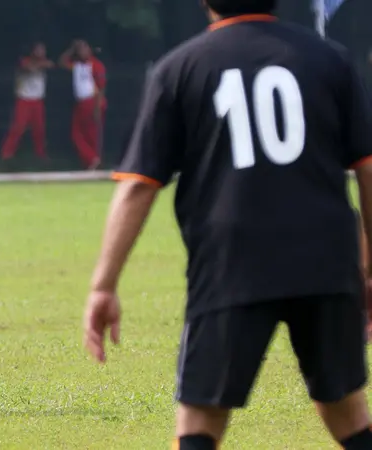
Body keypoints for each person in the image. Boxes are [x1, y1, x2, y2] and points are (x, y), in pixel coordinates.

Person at [82, 1, 372, 449]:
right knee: (345, 409)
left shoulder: (181, 67)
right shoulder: (328, 59)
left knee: (201, 417)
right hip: (327, 260)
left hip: (231, 261)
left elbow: (139, 186)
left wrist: (103, 286)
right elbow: (368, 169)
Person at [0, 42, 53, 162]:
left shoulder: (44, 62)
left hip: (38, 100)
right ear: (33, 51)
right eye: (39, 50)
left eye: (43, 50)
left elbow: (50, 64)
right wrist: (40, 64)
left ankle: (41, 154)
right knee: (18, 127)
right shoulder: (24, 60)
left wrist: (42, 64)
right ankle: (7, 153)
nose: (41, 52)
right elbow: (28, 67)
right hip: (24, 99)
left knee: (39, 128)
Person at [59, 39, 106, 170]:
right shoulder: (77, 65)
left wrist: (97, 107)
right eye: (80, 50)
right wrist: (71, 49)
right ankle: (92, 159)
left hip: (92, 101)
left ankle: (93, 160)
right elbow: (62, 62)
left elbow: (101, 88)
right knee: (77, 134)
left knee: (92, 134)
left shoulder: (96, 65)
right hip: (81, 103)